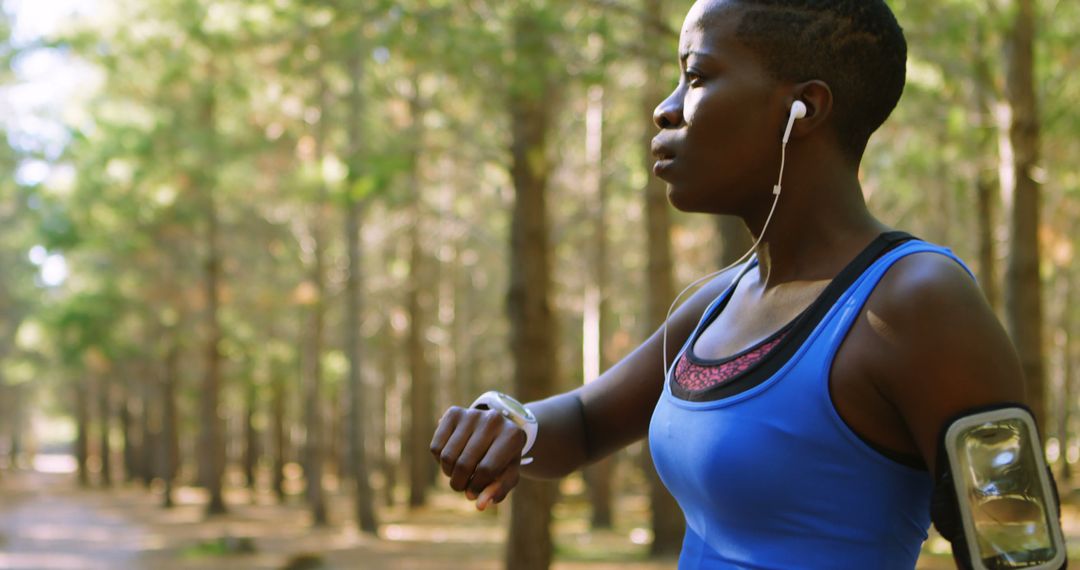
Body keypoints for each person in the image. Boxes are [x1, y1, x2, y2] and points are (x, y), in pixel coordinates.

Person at [431, 1, 1056, 568]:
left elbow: (1019, 553)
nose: (665, 107)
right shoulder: (717, 301)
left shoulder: (917, 301)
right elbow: (589, 425)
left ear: (803, 108)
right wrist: (509, 423)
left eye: (697, 76)